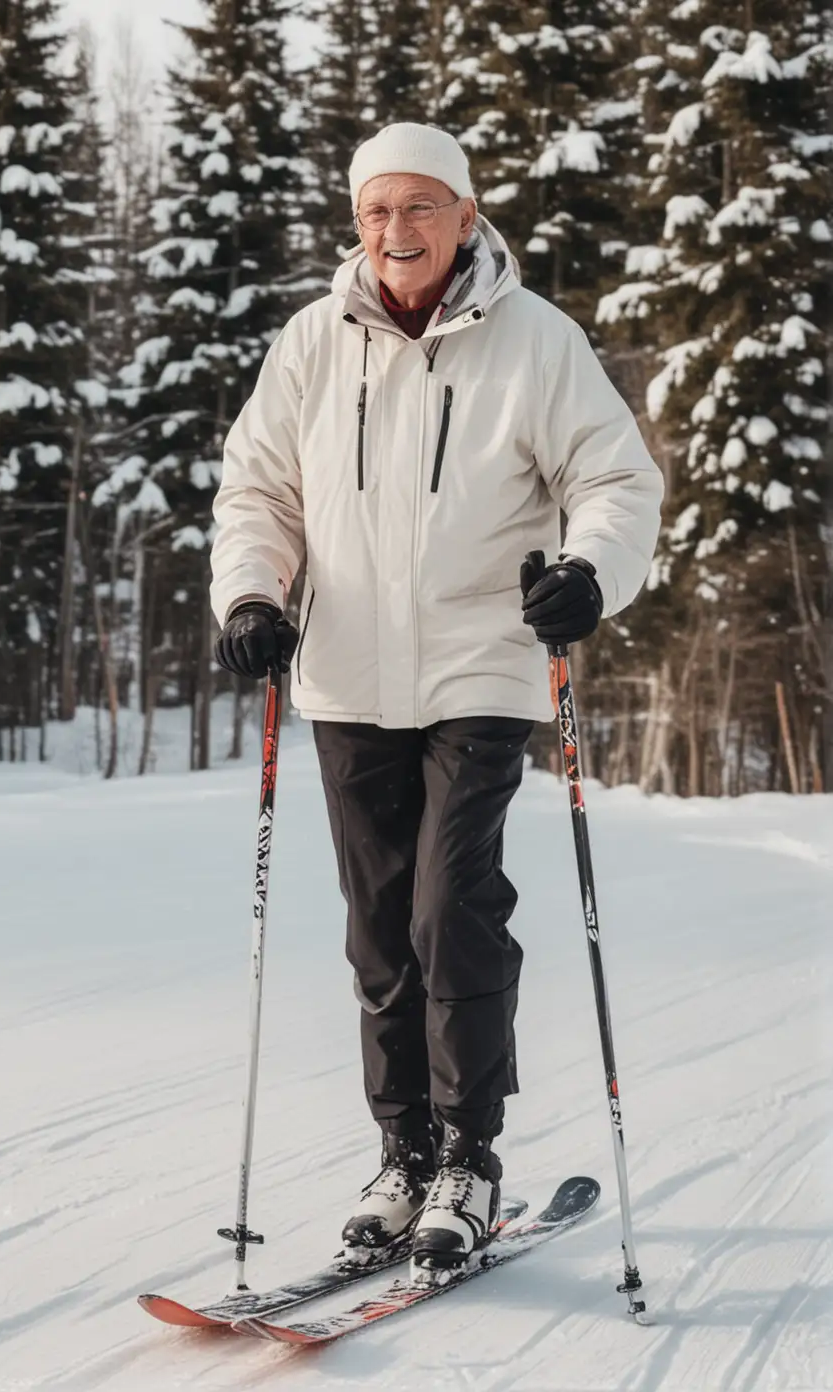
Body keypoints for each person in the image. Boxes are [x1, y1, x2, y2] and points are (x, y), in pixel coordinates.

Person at [208, 124, 663, 1273]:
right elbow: (258, 488)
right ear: (354, 222)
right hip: (349, 671)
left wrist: (589, 573)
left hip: (484, 659)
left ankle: (469, 1156)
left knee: (448, 906)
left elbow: (614, 477)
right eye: (375, 211)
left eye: (420, 209)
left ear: (467, 215)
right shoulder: (315, 343)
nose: (396, 232)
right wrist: (253, 595)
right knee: (379, 930)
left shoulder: (536, 343)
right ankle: (402, 1153)